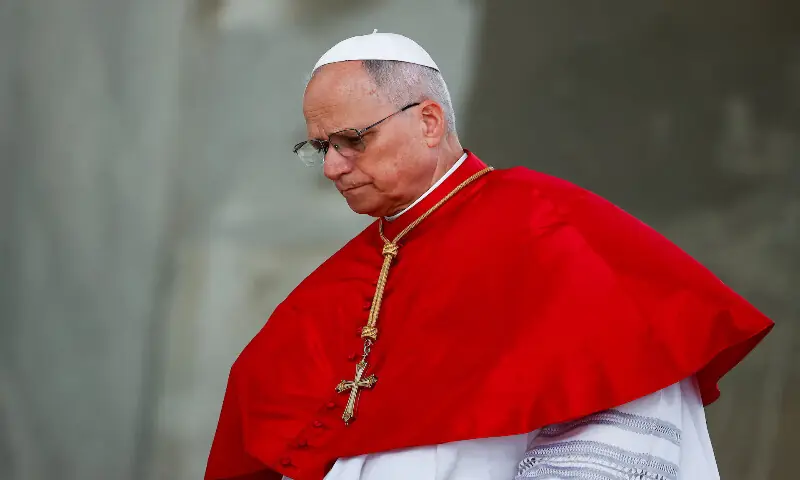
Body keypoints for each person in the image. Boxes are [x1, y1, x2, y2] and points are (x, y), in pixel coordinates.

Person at [204, 31, 774, 480]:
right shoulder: (329, 290)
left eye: (354, 140)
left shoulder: (555, 232)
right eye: (321, 148)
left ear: (428, 121)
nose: (332, 167)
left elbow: (614, 411)